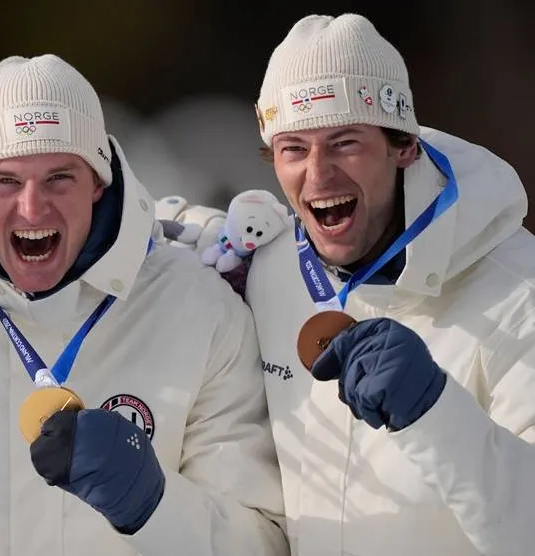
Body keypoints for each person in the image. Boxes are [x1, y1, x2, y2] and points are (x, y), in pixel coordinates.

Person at [0, 54, 289, 556]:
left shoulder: (198, 308)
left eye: (60, 177)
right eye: (5, 181)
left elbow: (263, 542)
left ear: (98, 183)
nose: (32, 207)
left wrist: (152, 504)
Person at [160, 13, 535, 555]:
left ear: (403, 145)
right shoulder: (264, 271)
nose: (318, 174)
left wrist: (434, 410)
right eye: (293, 148)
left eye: (344, 143)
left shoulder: (517, 294)